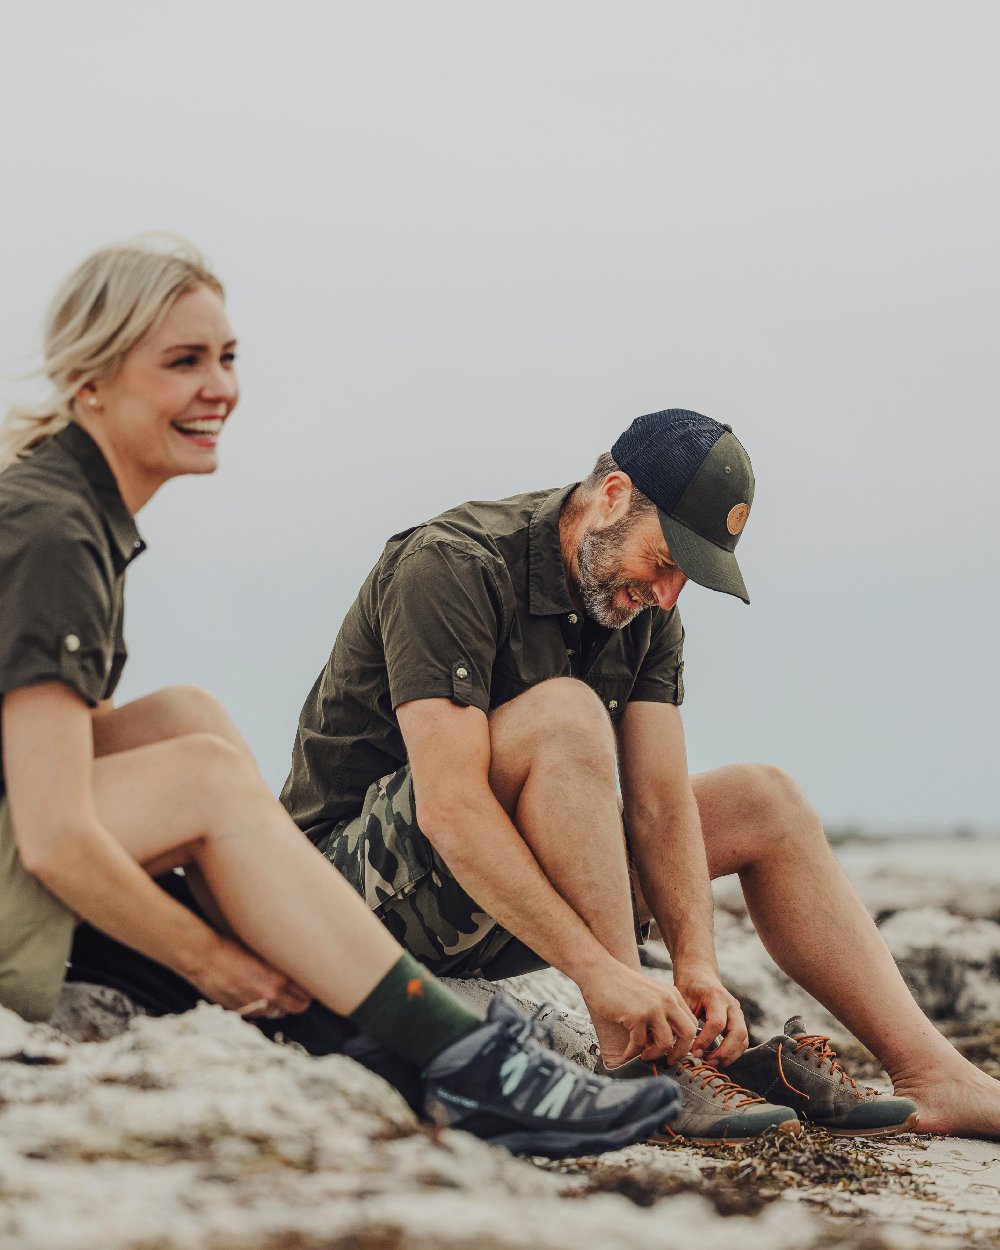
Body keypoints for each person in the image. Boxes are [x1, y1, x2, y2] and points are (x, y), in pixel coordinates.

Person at [0, 240, 682, 1159]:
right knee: (200, 772)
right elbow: (51, 836)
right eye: (182, 362)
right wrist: (209, 962)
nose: (220, 388)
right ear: (91, 384)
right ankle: (463, 1061)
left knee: (187, 718)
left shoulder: (66, 506)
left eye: (226, 357)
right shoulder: (53, 530)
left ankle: (333, 1008)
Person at [281, 408, 1000, 1141]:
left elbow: (659, 805)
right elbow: (452, 809)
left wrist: (697, 963)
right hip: (341, 897)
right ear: (614, 495)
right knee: (566, 714)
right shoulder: (454, 564)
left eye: (690, 575)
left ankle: (934, 1072)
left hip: (491, 902)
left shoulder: (646, 608)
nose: (668, 593)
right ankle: (636, 1052)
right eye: (666, 561)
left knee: (765, 799)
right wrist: (602, 973)